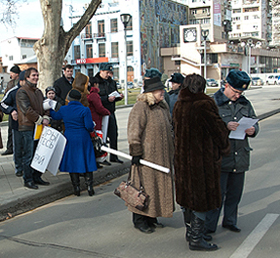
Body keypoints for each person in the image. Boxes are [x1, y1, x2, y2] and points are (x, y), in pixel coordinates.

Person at [173, 73, 230, 251]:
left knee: (186, 197)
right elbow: (218, 130)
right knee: (201, 198)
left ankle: (190, 232)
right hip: (202, 160)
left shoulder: (178, 105)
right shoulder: (204, 104)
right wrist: (225, 148)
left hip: (182, 159)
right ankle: (197, 238)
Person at [205, 70, 259, 234]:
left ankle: (230, 221)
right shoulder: (213, 103)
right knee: (217, 196)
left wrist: (253, 130)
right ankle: (209, 227)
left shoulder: (245, 103)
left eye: (240, 92)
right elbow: (206, 128)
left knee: (235, 195)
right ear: (226, 85)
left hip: (240, 156)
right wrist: (225, 127)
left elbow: (255, 122)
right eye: (235, 91)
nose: (237, 95)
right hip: (221, 157)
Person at [127, 76, 174, 234]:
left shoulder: (163, 106)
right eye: (160, 90)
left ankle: (152, 217)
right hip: (146, 157)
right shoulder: (141, 107)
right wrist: (136, 152)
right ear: (150, 92)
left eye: (163, 89)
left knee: (157, 188)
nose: (163, 92)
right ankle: (139, 219)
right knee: (144, 188)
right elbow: (134, 130)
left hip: (161, 157)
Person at [50, 89, 97, 196]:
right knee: (87, 160)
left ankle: (76, 188)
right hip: (83, 137)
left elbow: (56, 116)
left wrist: (50, 109)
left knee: (72, 162)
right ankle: (89, 187)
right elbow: (89, 126)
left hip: (69, 137)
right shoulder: (85, 110)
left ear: (69, 99)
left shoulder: (64, 109)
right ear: (79, 99)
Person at [16, 67, 51, 189]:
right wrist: (40, 120)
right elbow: (27, 110)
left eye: (37, 75)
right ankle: (28, 179)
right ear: (27, 77)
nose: (36, 77)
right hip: (28, 127)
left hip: (39, 127)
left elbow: (44, 107)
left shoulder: (38, 92)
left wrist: (47, 117)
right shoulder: (22, 92)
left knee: (38, 154)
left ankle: (37, 177)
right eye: (33, 76)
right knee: (28, 155)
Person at [94, 63, 123, 164]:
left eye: (110, 73)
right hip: (101, 113)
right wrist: (106, 99)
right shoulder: (96, 82)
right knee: (103, 135)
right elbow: (95, 98)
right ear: (101, 71)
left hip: (111, 111)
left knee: (114, 134)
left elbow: (114, 93)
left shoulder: (112, 82)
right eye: (107, 72)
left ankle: (114, 156)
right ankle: (102, 157)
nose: (108, 75)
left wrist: (118, 97)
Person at [0, 70, 26, 177]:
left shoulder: (34, 91)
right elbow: (3, 103)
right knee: (18, 146)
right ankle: (19, 167)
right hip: (17, 124)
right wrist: (11, 110)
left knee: (28, 148)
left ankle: (29, 168)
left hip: (31, 124)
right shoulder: (13, 91)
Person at [1, 65, 21, 156]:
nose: (10, 74)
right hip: (12, 109)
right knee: (10, 130)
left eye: (12, 73)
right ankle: (10, 147)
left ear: (16, 74)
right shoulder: (10, 83)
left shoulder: (19, 83)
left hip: (18, 110)